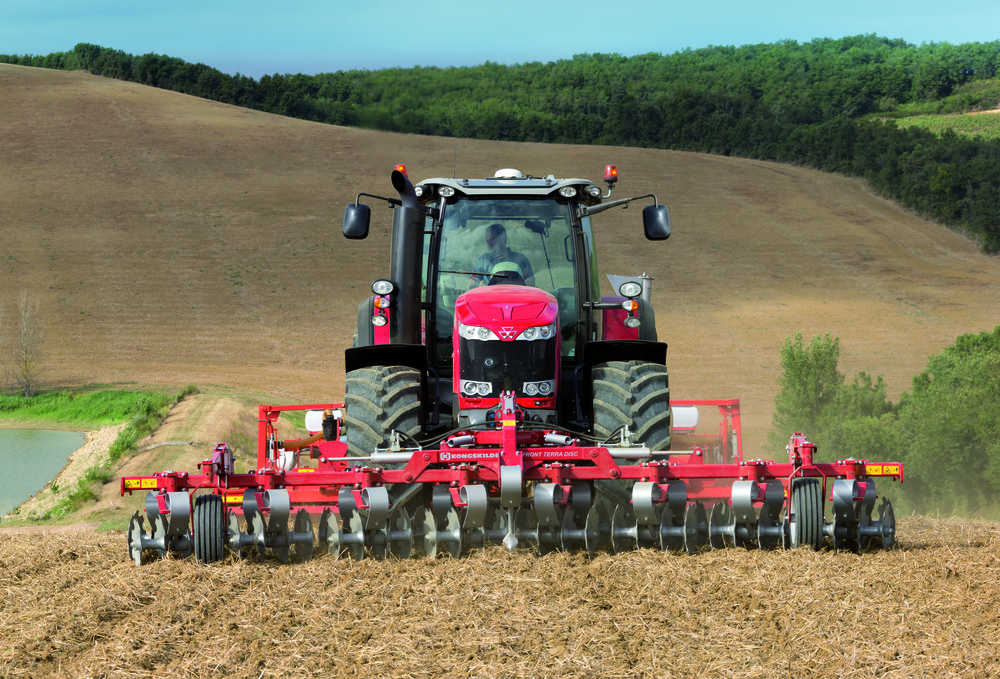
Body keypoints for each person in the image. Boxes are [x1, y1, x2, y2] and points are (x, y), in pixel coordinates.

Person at [469, 223, 535, 287]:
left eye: (492, 239)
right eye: (488, 241)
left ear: (503, 238)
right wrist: (473, 282)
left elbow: (530, 280)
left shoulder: (521, 259)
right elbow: (473, 279)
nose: (490, 243)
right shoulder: (483, 260)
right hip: (490, 297)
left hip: (517, 297)